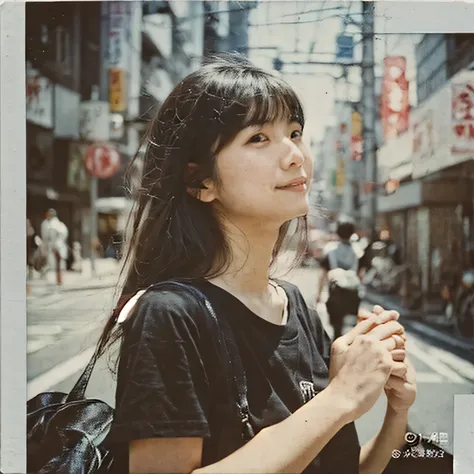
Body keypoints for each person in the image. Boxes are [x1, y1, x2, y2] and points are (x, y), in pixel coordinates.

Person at [98, 54, 416, 474]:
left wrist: (396, 410)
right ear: (200, 181)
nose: (295, 155)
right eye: (258, 139)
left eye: (295, 133)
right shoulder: (171, 314)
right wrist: (340, 397)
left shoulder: (296, 306)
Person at [316, 216, 364, 339]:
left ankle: (336, 354)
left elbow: (323, 275)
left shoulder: (330, 251)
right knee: (352, 331)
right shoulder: (358, 251)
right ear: (352, 232)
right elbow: (361, 275)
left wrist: (319, 294)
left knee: (337, 330)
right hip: (353, 294)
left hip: (336, 293)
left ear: (337, 232)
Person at [40, 209, 69, 285]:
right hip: (60, 246)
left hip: (54, 246)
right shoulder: (60, 224)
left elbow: (47, 237)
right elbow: (64, 234)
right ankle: (59, 280)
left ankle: (58, 280)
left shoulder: (49, 224)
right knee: (58, 264)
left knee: (54, 264)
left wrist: (51, 245)